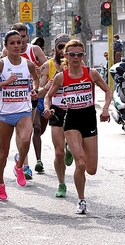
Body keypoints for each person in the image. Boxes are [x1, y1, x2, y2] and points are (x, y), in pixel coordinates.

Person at [44, 39, 112, 214]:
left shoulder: (91, 73)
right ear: (65, 56)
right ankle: (81, 200)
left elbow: (108, 91)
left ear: (84, 55)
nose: (76, 57)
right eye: (72, 54)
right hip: (71, 120)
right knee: (80, 163)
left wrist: (105, 109)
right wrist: (46, 108)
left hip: (89, 119)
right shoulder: (61, 77)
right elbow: (48, 97)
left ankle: (71, 151)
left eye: (79, 54)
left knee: (91, 169)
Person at [0, 30, 39, 200]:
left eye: (19, 42)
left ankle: (19, 166)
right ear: (6, 46)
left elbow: (36, 79)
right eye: (12, 43)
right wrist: (5, 82)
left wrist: (35, 90)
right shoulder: (0, 64)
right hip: (5, 114)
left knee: (26, 140)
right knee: (3, 153)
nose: (16, 46)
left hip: (24, 110)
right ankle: (0, 182)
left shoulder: (27, 64)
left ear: (22, 44)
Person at [2, 22, 47, 180]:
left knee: (32, 129)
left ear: (26, 37)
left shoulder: (34, 50)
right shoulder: (5, 52)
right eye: (15, 39)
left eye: (22, 38)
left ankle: (21, 160)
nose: (18, 43)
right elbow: (1, 68)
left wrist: (38, 72)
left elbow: (46, 65)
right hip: (13, 99)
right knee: (20, 132)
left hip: (31, 95)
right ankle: (25, 165)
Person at [38, 33, 72, 197]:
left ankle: (70, 147)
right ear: (55, 49)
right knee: (59, 153)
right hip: (56, 110)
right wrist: (47, 87)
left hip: (74, 110)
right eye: (61, 47)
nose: (64, 51)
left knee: (72, 148)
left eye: (67, 47)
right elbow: (38, 92)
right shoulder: (48, 66)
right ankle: (61, 184)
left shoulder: (76, 63)